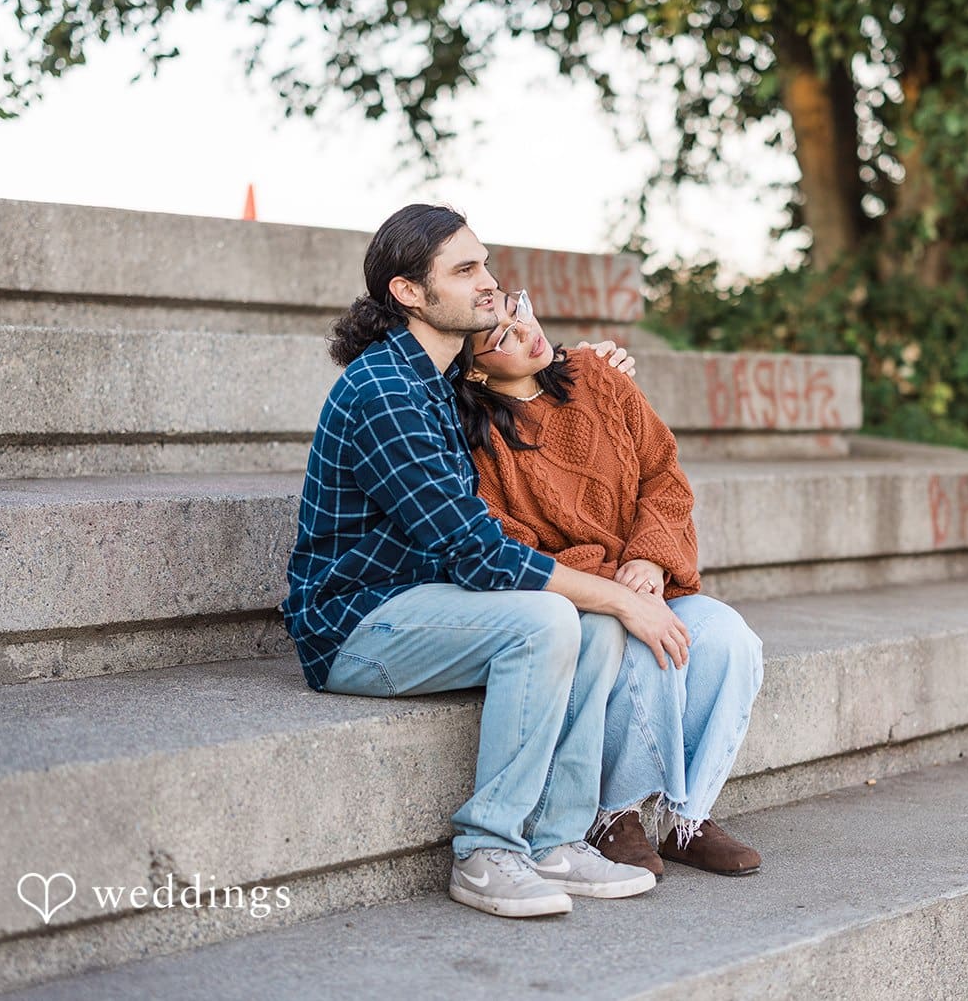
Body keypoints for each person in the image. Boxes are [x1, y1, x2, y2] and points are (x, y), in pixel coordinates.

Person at [283, 203, 693, 919]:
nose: (489, 284)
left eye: (486, 265)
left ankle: (557, 839)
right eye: (466, 270)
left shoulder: (439, 380)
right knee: (550, 619)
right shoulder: (385, 390)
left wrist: (586, 360)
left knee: (589, 624)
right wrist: (624, 595)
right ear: (409, 291)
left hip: (425, 608)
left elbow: (526, 383)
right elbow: (475, 550)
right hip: (354, 626)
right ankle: (487, 849)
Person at [456, 287, 766, 878]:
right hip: (577, 594)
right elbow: (512, 546)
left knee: (730, 640)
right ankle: (611, 813)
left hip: (649, 576)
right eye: (501, 337)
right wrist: (617, 588)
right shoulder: (480, 441)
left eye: (519, 311)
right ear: (474, 368)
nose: (525, 332)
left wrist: (650, 561)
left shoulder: (598, 374)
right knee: (643, 645)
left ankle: (685, 817)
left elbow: (665, 476)